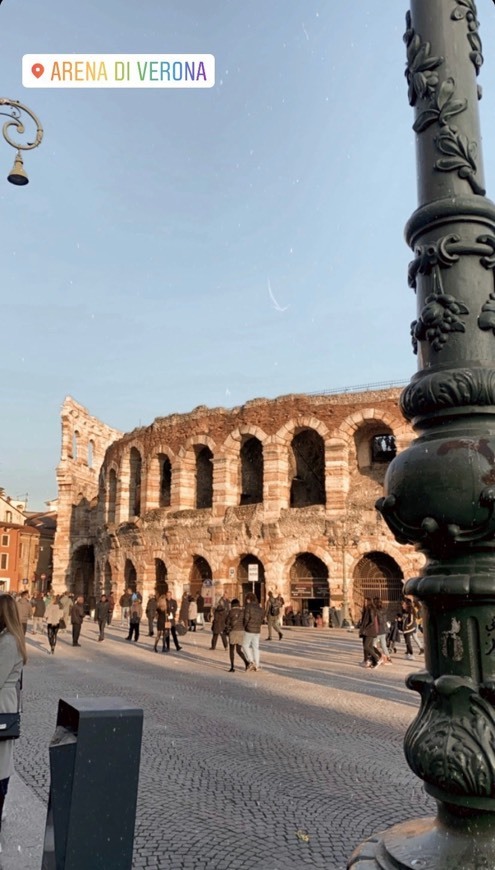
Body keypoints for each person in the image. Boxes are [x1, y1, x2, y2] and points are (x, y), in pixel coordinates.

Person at [0, 594, 26, 850]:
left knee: (1, 765)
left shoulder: (8, 642)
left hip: (1, 711)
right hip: (3, 708)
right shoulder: (7, 639)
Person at [224, 598, 249, 672]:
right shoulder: (242, 612)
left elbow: (227, 622)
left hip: (233, 632)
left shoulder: (230, 612)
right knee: (239, 650)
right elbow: (245, 621)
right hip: (241, 632)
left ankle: (232, 667)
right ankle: (246, 663)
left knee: (232, 650)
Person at [242, 592, 264, 672]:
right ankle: (257, 664)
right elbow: (262, 619)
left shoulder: (248, 607)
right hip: (257, 630)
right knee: (255, 647)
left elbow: (246, 618)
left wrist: (244, 626)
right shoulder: (260, 608)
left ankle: (251, 661)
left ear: (248, 599)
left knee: (245, 645)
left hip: (249, 630)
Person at [358, 598, 382, 668]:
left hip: (370, 631)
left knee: (366, 646)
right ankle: (368, 660)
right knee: (369, 646)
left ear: (369, 602)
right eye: (364, 601)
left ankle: (377, 658)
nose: (364, 602)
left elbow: (372, 622)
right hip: (366, 631)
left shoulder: (371, 609)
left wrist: (365, 628)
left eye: (366, 601)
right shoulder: (366, 609)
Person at [373, 598, 391, 664]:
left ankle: (379, 656)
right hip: (384, 629)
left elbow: (378, 621)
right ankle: (388, 657)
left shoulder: (376, 611)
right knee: (383, 645)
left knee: (372, 644)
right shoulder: (384, 610)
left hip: (378, 630)